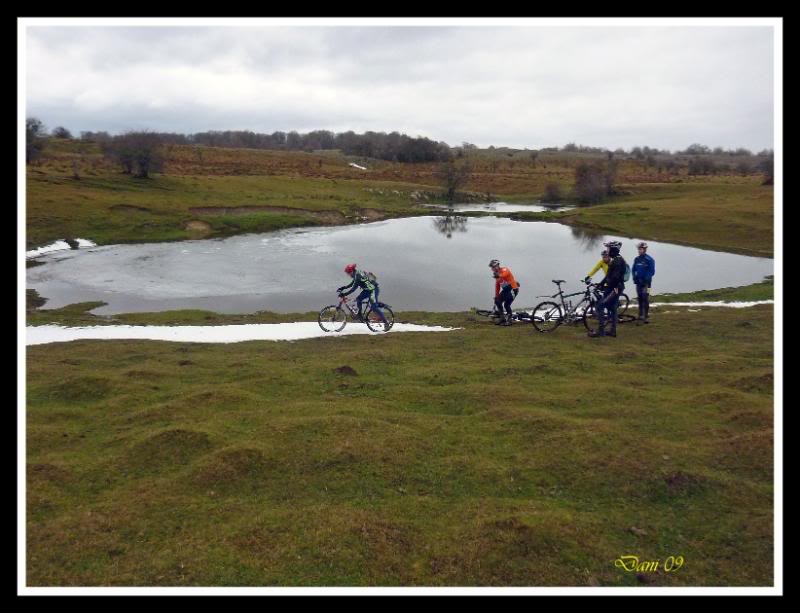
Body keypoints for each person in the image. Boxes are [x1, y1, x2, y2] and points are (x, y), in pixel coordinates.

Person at [589, 241, 626, 338]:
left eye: (609, 248)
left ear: (613, 249)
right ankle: (613, 331)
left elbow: (615, 278)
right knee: (613, 309)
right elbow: (608, 276)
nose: (607, 250)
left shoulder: (618, 261)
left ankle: (601, 332)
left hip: (615, 289)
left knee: (599, 306)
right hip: (613, 288)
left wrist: (607, 286)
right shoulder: (615, 260)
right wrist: (600, 284)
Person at [489, 259, 520, 326]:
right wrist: (496, 296)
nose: (492, 269)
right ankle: (502, 318)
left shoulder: (504, 269)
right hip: (506, 290)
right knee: (497, 301)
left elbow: (505, 274)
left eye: (493, 267)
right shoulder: (496, 274)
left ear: (497, 266)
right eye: (492, 267)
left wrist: (499, 276)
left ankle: (509, 320)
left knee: (506, 304)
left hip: (513, 289)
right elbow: (497, 286)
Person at [632, 241, 656, 324]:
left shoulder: (650, 259)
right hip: (638, 282)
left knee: (645, 298)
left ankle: (645, 316)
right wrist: (634, 278)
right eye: (639, 249)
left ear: (645, 249)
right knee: (640, 298)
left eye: (641, 249)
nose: (639, 250)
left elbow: (652, 272)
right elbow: (633, 269)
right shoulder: (636, 259)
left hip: (647, 284)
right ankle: (640, 315)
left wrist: (645, 279)